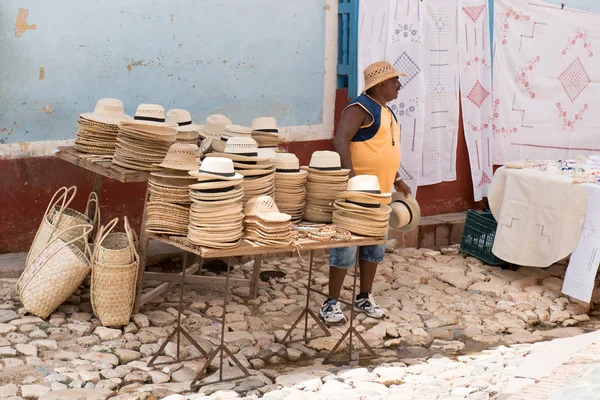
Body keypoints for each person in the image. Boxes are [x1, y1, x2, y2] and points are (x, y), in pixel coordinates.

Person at [319, 61, 412, 325]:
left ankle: (364, 296)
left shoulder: (388, 113)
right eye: (395, 81)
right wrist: (351, 180)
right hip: (357, 197)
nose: (399, 85)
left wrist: (397, 179)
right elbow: (340, 140)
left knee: (374, 248)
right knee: (345, 249)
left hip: (380, 196)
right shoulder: (360, 108)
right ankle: (331, 302)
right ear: (381, 84)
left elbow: (383, 148)